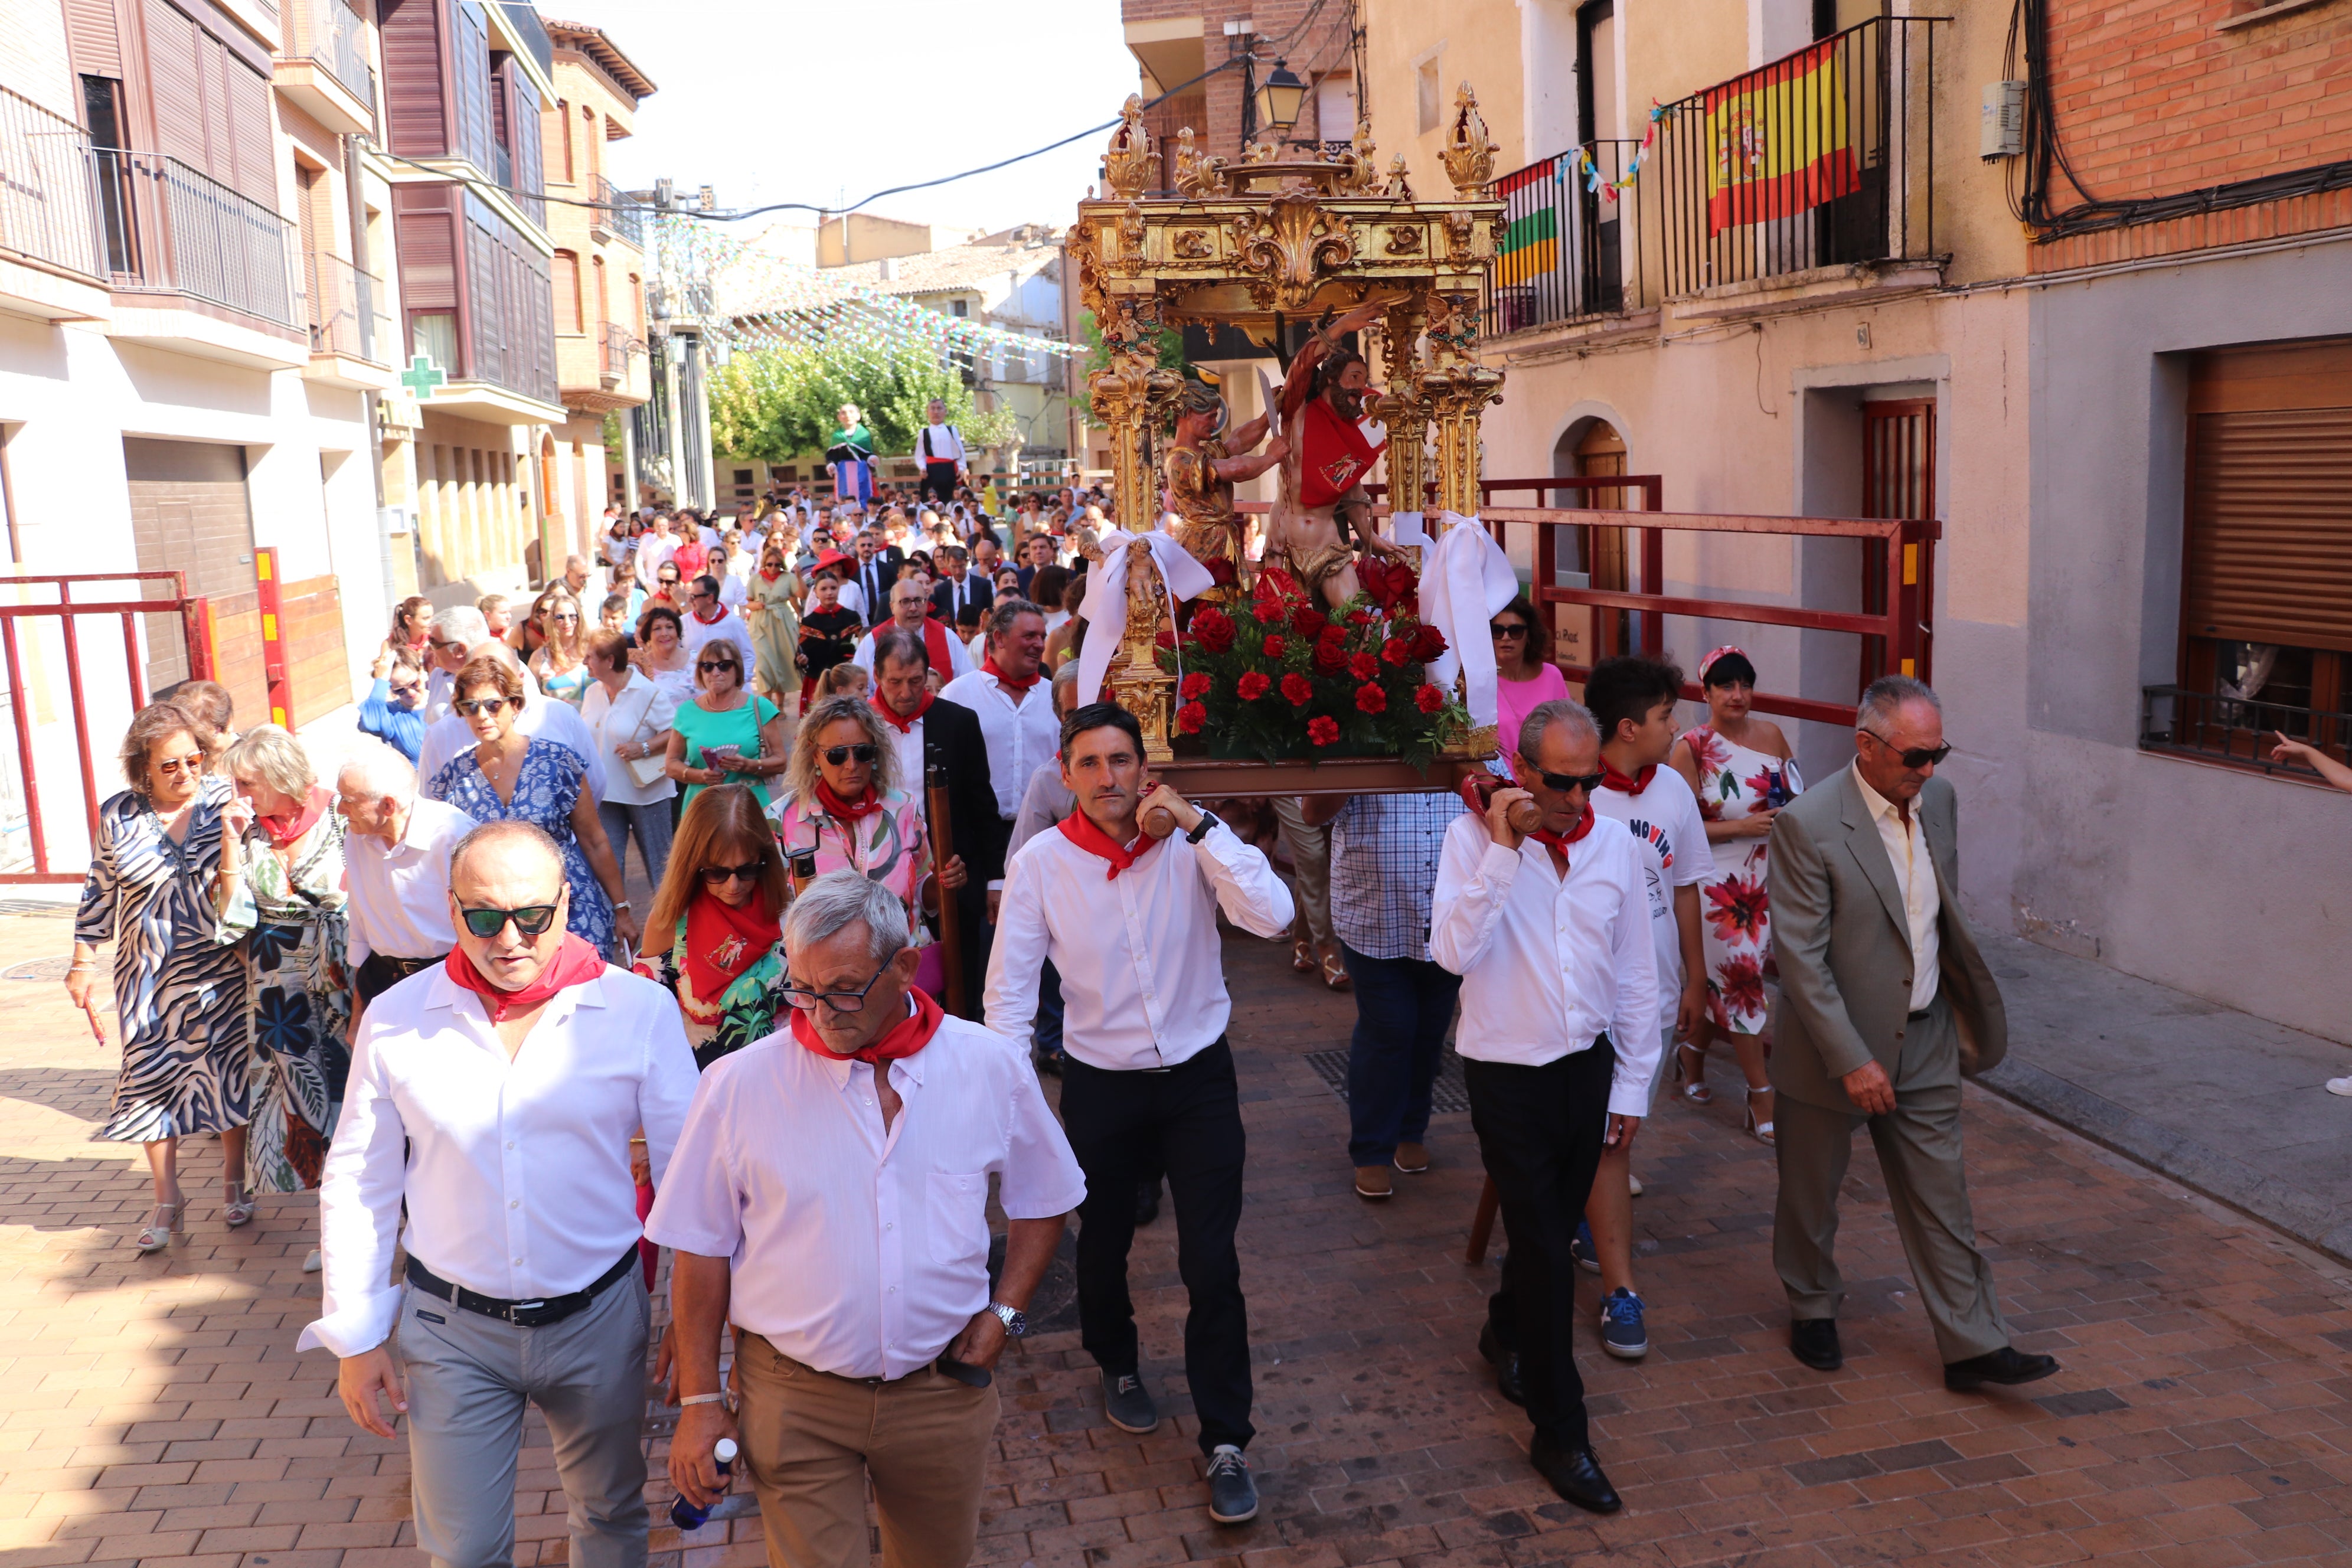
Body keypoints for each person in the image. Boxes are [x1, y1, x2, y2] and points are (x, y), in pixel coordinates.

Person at [652, 873, 1083, 1568]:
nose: (821, 1012)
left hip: (943, 1391)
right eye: (803, 988)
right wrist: (702, 1401)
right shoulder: (737, 1086)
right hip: (793, 1397)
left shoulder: (987, 1066)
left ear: (906, 967)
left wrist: (1005, 1315)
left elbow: (1047, 1197)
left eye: (846, 987)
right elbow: (699, 1251)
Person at [301, 820, 697, 1568]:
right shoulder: (396, 1019)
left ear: (566, 901)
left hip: (599, 1317)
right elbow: (361, 1180)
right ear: (452, 910)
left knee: (611, 1516)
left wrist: (691, 1315)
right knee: (464, 1547)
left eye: (532, 916)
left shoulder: (639, 1012)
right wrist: (355, 1336)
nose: (508, 937)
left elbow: (689, 1178)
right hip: (451, 1327)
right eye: (484, 916)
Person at [984, 702, 1294, 1527]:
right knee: (1105, 1240)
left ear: (1142, 764)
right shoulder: (1043, 863)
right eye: (1090, 764)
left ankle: (1227, 1440)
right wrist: (1014, 1113)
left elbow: (1274, 917)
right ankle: (1115, 1361)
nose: (1109, 779)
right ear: (1067, 771)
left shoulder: (1192, 845)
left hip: (1199, 1080)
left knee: (1212, 1262)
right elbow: (1011, 995)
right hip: (1102, 1084)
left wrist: (1199, 826)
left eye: (1121, 761)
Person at [1769, 676, 2054, 1395]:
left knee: (1942, 1194)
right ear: (1867, 746)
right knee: (1812, 1191)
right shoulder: (1808, 823)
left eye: (1939, 754)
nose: (1929, 771)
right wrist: (1853, 1058)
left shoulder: (1941, 803)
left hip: (1924, 1032)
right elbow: (1801, 960)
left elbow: (1933, 914)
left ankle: (1974, 1343)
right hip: (1832, 1047)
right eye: (1915, 757)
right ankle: (1811, 1304)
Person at [1429, 698, 1655, 1514]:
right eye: (1559, 782)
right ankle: (1561, 1431)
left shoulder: (1616, 847)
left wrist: (1633, 1083)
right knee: (1549, 1250)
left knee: (1547, 1236)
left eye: (1589, 782)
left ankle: (1505, 1328)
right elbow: (1451, 951)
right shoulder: (1468, 839)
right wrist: (1502, 850)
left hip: (1586, 1066)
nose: (1575, 799)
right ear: (1523, 771)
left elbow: (1635, 970)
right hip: (1506, 1071)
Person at [69, 703, 252, 1252]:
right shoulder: (119, 814)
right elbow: (99, 891)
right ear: (143, 767)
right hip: (146, 973)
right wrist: (82, 963)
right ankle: (167, 1197)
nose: (184, 773)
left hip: (220, 968)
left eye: (193, 760)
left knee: (227, 1073)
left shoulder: (226, 801)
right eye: (168, 765)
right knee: (149, 1077)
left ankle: (235, 1181)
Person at [1578, 656, 1717, 1361]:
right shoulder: (1578, 798)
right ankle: (1619, 1287)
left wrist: (1696, 978)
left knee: (1622, 1128)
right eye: (1668, 716)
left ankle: (1586, 1219)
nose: (1679, 728)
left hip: (1657, 994)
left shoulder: (1673, 791)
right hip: (1587, 1000)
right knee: (1611, 1138)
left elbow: (1687, 885)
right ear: (1629, 727)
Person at [1299, 786, 1468, 1200]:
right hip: (1374, 916)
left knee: (1431, 1030)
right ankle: (1372, 1150)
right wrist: (1349, 767)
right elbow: (1312, 814)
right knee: (1388, 1029)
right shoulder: (1370, 733)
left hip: (1448, 922)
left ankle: (1411, 1130)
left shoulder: (1473, 738)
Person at [214, 724, 352, 1203]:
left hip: (344, 974)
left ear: (279, 777)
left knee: (354, 1090)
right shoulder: (248, 832)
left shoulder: (340, 815)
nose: (240, 794)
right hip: (278, 987)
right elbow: (232, 920)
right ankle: (326, 1228)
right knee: (299, 1103)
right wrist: (230, 843)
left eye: (248, 783)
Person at [1668, 646, 1802, 1137]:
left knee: (1720, 980)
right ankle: (1760, 1094)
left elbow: (1796, 796)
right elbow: (1681, 830)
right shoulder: (1691, 748)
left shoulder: (1771, 735)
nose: (1737, 695)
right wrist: (1743, 825)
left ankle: (1692, 1055)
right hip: (1716, 886)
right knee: (1744, 982)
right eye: (1726, 686)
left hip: (1769, 876)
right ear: (1705, 693)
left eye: (1745, 684)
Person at [424, 656, 638, 958]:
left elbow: (595, 840)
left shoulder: (557, 762)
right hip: (498, 924)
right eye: (470, 707)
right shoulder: (454, 779)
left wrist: (622, 909)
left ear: (515, 704)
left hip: (569, 907)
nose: (482, 715)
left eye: (493, 704)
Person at [767, 695, 958, 998]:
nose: (852, 765)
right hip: (829, 990)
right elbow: (773, 915)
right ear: (814, 755)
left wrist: (946, 880)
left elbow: (923, 888)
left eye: (864, 752)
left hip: (905, 981)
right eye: (837, 755)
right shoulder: (781, 821)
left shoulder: (902, 808)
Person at [870, 628, 999, 1018]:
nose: (906, 692)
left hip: (951, 873)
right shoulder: (860, 725)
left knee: (960, 984)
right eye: (895, 682)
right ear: (877, 676)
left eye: (915, 681)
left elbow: (982, 805)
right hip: (879, 876)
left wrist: (994, 879)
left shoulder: (958, 722)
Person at [632, 785, 788, 1069]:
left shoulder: (790, 909)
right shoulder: (670, 920)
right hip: (702, 1083)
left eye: (747, 870)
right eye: (717, 872)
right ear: (692, 864)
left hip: (784, 1076)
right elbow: (647, 1020)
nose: (733, 885)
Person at [939, 600, 1057, 928]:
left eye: (1042, 636)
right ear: (999, 638)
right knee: (986, 940)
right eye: (1029, 635)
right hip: (977, 842)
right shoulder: (958, 695)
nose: (1039, 644)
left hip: (1043, 836)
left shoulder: (1056, 697)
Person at [337, 744, 474, 1016]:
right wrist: (358, 1012)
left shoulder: (454, 836)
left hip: (451, 980)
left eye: (349, 800)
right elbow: (360, 926)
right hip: (382, 982)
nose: (341, 809)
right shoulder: (357, 837)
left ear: (389, 805)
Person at [581, 629, 679, 891]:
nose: (584, 662)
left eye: (590, 656)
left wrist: (645, 747)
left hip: (648, 793)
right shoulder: (592, 693)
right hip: (605, 795)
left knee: (661, 870)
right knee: (607, 866)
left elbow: (676, 733)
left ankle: (672, 929)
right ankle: (615, 927)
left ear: (610, 661)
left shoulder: (648, 692)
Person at [665, 640, 788, 813]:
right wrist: (701, 776)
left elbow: (781, 762)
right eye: (707, 666)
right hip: (703, 808)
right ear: (701, 671)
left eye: (724, 665)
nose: (715, 672)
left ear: (737, 670)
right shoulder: (687, 711)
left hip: (748, 807)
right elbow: (671, 765)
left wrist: (749, 765)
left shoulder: (759, 707)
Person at [1491, 596, 1570, 766]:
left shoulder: (1552, 676)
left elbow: (1567, 731)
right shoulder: (1477, 682)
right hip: (1499, 785)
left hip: (1546, 780)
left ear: (1529, 636)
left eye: (1516, 631)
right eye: (1497, 631)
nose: (1506, 638)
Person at [853, 574, 974, 682]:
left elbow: (966, 682)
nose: (913, 608)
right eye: (905, 602)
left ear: (926, 603)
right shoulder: (872, 642)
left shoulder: (948, 638)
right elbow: (861, 688)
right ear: (892, 607)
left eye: (918, 601)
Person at [795, 570, 863, 711]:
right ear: (816, 593)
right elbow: (802, 656)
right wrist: (802, 661)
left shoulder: (852, 618)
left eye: (833, 588)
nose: (829, 593)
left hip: (847, 681)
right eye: (824, 589)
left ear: (839, 589)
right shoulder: (809, 622)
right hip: (817, 682)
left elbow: (860, 649)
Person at [745, 535, 801, 703]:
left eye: (777, 564)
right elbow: (747, 603)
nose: (773, 568)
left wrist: (798, 576)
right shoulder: (755, 579)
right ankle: (767, 706)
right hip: (760, 624)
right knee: (763, 665)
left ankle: (781, 705)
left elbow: (800, 595)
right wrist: (757, 605)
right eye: (769, 564)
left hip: (782, 622)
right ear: (764, 563)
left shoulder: (788, 578)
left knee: (781, 662)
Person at [358, 645, 429, 762]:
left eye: (414, 683)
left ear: (420, 671)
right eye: (400, 690)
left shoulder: (440, 700)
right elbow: (369, 723)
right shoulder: (392, 714)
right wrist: (382, 680)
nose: (410, 692)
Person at [529, 590, 592, 707]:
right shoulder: (540, 656)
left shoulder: (593, 648)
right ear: (553, 621)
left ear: (580, 618)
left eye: (572, 616)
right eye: (560, 617)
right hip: (558, 722)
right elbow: (530, 697)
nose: (567, 622)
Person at [681, 575, 756, 671]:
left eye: (694, 597)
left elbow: (748, 656)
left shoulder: (734, 624)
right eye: (689, 595)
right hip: (690, 683)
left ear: (710, 598)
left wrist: (740, 681)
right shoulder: (683, 622)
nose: (689, 601)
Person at [635, 605, 698, 713]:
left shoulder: (698, 659)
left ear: (678, 632)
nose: (664, 633)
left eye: (669, 627)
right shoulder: (640, 667)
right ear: (648, 636)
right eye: (657, 629)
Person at [916, 396, 968, 504]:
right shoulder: (923, 433)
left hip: (950, 472)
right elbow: (920, 455)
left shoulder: (952, 430)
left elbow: (960, 452)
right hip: (931, 472)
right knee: (931, 502)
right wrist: (922, 468)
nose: (936, 412)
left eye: (939, 408)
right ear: (928, 412)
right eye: (933, 409)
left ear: (945, 411)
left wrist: (961, 468)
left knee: (952, 501)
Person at [842, 527, 900, 623]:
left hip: (884, 619)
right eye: (863, 545)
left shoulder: (887, 569)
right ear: (856, 548)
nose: (866, 548)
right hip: (858, 620)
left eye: (869, 545)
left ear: (874, 547)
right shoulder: (850, 572)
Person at [827, 403, 877, 509]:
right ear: (839, 417)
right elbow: (833, 455)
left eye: (851, 412)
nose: (848, 415)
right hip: (843, 473)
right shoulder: (837, 436)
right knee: (845, 497)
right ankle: (846, 518)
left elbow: (866, 453)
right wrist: (831, 464)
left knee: (863, 495)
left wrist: (871, 458)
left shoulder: (864, 435)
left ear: (858, 416)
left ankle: (863, 515)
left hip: (861, 471)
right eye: (844, 413)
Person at [389, 594, 435, 661]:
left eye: (432, 617)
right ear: (408, 620)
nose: (432, 622)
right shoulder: (391, 644)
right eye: (426, 618)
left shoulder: (434, 641)